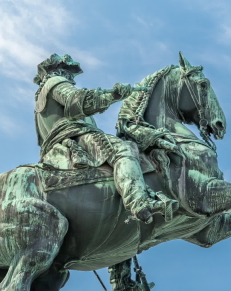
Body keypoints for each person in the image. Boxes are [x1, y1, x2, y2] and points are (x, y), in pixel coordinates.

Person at [33, 53, 177, 223]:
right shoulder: (55, 82)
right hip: (75, 136)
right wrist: (115, 95)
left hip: (59, 144)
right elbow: (79, 101)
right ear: (59, 71)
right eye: (69, 71)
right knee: (123, 148)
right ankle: (138, 201)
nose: (71, 77)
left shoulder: (41, 101)